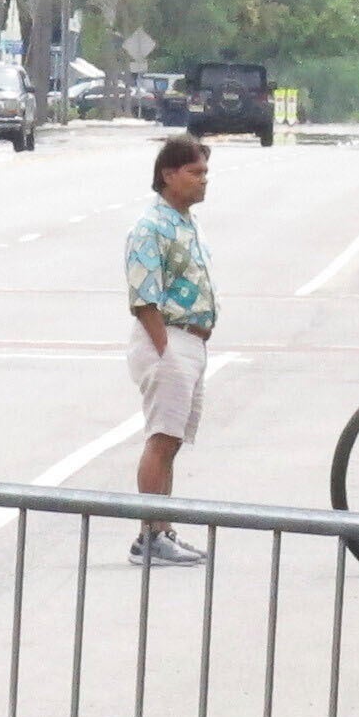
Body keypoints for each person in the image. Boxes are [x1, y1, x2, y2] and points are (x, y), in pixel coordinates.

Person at [122, 135, 217, 566]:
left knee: (173, 441)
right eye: (195, 173)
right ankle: (149, 534)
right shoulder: (151, 226)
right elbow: (144, 297)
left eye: (205, 174)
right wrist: (166, 351)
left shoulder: (186, 222)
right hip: (168, 340)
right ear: (168, 175)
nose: (203, 182)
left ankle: (163, 529)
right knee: (161, 439)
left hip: (190, 341)